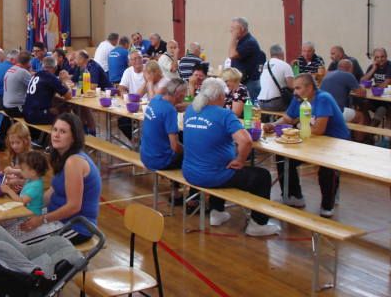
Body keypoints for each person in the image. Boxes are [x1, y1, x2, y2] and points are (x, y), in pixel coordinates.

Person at [182, 78, 280, 236]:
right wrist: (240, 160)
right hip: (211, 176)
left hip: (190, 172)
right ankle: (258, 224)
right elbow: (246, 141)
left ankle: (217, 212)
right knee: (262, 176)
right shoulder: (225, 115)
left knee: (221, 162)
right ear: (220, 96)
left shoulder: (191, 110)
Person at [264, 74, 350, 217]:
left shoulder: (323, 98)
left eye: (298, 88)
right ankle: (294, 196)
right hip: (312, 140)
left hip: (335, 142)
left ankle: (327, 205)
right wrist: (273, 125)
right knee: (283, 156)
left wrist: (298, 124)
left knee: (327, 167)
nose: (294, 92)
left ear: (309, 88)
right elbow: (288, 118)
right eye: (294, 88)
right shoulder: (298, 98)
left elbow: (319, 130)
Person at [19, 113, 100, 244]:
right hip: (58, 218)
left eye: (63, 132)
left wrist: (41, 219)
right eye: (55, 130)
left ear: (73, 137)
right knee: (15, 226)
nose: (56, 135)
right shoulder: (62, 157)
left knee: (18, 242)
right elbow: (52, 191)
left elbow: (74, 207)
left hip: (76, 226)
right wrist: (29, 206)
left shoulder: (74, 162)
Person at [140, 79, 187, 171]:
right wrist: (189, 151)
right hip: (160, 161)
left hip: (145, 156)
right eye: (185, 93)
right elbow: (175, 146)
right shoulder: (169, 110)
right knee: (197, 157)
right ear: (178, 94)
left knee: (181, 136)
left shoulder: (155, 99)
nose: (185, 96)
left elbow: (168, 109)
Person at [23, 57, 72, 125]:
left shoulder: (36, 75)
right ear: (55, 68)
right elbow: (69, 96)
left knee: (57, 107)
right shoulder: (50, 77)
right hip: (35, 116)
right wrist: (65, 80)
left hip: (26, 112)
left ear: (43, 66)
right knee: (65, 111)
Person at [0, 151, 47, 215]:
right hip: (25, 211)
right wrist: (13, 175)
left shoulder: (36, 187)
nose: (21, 171)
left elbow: (21, 202)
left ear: (33, 172)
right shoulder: (33, 178)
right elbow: (26, 181)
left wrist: (9, 191)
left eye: (22, 169)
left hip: (31, 215)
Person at [229, 17, 264, 100]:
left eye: (233, 28)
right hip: (244, 82)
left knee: (250, 107)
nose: (231, 31)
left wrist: (233, 37)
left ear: (242, 29)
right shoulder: (242, 41)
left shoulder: (249, 42)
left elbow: (232, 54)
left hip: (250, 84)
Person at [320, 60, 365, 124]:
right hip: (336, 112)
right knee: (361, 116)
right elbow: (361, 94)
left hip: (321, 110)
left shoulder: (328, 74)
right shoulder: (348, 75)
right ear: (350, 68)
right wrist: (362, 86)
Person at [257, 44, 294, 112]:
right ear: (282, 53)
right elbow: (291, 86)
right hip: (275, 104)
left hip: (260, 103)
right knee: (295, 105)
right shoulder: (285, 65)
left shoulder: (265, 64)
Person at [361, 47, 391, 127]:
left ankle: (372, 129)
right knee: (362, 104)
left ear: (386, 57)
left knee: (383, 108)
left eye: (382, 57)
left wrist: (375, 86)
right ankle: (366, 128)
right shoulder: (373, 66)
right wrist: (373, 69)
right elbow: (362, 81)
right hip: (377, 98)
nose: (380, 59)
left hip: (388, 99)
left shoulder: (389, 66)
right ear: (374, 58)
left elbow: (386, 84)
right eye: (377, 57)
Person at [3, 122, 32, 192]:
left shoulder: (30, 157)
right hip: (18, 188)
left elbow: (28, 174)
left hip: (28, 190)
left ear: (26, 141)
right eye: (12, 143)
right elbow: (17, 174)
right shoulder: (15, 155)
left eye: (18, 142)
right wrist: (8, 175)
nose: (14, 146)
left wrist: (12, 171)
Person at [3, 51, 32, 118]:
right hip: (15, 108)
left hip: (6, 106)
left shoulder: (10, 69)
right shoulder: (23, 72)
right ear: (28, 62)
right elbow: (35, 87)